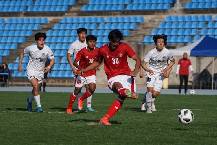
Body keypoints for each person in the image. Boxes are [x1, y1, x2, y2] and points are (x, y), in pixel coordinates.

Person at [76, 29, 141, 125]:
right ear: (110, 40)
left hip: (127, 76)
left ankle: (105, 119)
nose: (116, 44)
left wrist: (135, 71)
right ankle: (125, 92)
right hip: (113, 76)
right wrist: (84, 70)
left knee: (121, 98)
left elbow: (137, 59)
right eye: (114, 42)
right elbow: (97, 62)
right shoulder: (103, 49)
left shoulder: (125, 47)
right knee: (117, 86)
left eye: (118, 42)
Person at [18, 32, 55, 112]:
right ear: (36, 41)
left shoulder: (47, 49)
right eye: (40, 40)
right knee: (35, 85)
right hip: (31, 70)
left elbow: (52, 60)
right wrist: (20, 64)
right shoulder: (31, 48)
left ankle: (29, 100)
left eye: (43, 40)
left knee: (37, 88)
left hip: (40, 71)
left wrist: (49, 67)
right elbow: (22, 52)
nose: (42, 42)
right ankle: (39, 107)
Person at [140, 34, 175, 113]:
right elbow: (143, 63)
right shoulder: (151, 52)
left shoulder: (167, 52)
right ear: (155, 43)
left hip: (160, 74)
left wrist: (166, 69)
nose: (161, 43)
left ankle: (145, 100)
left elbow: (173, 61)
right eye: (159, 42)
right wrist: (147, 70)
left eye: (162, 42)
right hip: (151, 73)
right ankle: (149, 108)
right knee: (150, 90)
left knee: (155, 94)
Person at [66, 35, 99, 114]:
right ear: (87, 42)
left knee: (92, 88)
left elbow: (100, 60)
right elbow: (74, 62)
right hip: (82, 74)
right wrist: (80, 69)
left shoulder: (98, 50)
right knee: (77, 90)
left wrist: (97, 66)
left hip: (91, 73)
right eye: (90, 42)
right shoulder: (82, 51)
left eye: (94, 42)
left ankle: (81, 99)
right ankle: (69, 108)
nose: (92, 43)